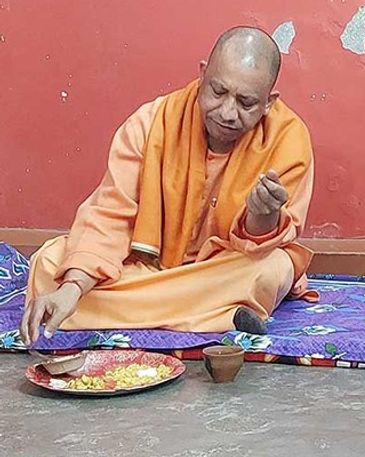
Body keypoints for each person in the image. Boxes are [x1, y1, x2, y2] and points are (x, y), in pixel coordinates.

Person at [21, 26, 317, 346]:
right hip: (153, 264)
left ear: (269, 102)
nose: (228, 113)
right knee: (49, 262)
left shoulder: (288, 139)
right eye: (218, 92)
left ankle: (112, 310)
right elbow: (110, 213)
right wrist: (74, 286)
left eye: (246, 103)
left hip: (225, 268)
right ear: (203, 74)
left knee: (273, 269)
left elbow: (267, 243)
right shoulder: (151, 123)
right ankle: (220, 316)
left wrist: (263, 216)